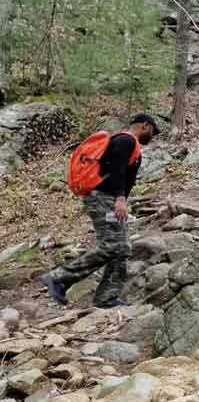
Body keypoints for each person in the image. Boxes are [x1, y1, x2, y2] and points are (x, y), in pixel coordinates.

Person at [39, 113, 160, 308]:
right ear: (145, 126)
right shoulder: (126, 140)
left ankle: (107, 298)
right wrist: (120, 198)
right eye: (153, 131)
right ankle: (58, 277)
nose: (153, 136)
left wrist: (120, 201)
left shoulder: (126, 142)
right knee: (112, 245)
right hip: (103, 198)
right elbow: (118, 169)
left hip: (110, 200)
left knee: (122, 248)